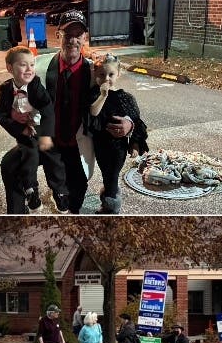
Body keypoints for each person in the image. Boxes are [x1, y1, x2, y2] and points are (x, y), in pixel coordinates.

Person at [42, 11, 132, 214]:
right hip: (51, 143)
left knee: (76, 196)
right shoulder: (41, 67)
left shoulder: (95, 72)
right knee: (15, 167)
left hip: (79, 143)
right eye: (68, 34)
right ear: (58, 35)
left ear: (85, 38)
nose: (73, 40)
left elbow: (118, 101)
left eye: (78, 34)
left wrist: (129, 123)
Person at [0, 45, 54, 213]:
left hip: (53, 134)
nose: (29, 69)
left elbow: (47, 109)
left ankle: (57, 194)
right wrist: (19, 127)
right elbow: (1, 114)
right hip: (29, 133)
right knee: (11, 163)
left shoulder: (36, 84)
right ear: (10, 68)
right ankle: (21, 208)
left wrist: (46, 135)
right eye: (24, 65)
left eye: (32, 65)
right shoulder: (7, 87)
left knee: (45, 157)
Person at [87, 55, 147, 214]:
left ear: (118, 74)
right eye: (101, 74)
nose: (106, 78)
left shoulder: (125, 98)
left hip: (118, 147)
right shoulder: (95, 94)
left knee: (112, 176)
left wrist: (135, 144)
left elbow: (136, 121)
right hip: (100, 145)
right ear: (95, 74)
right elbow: (93, 112)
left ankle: (111, 208)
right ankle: (109, 200)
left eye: (111, 74)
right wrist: (103, 95)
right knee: (107, 176)